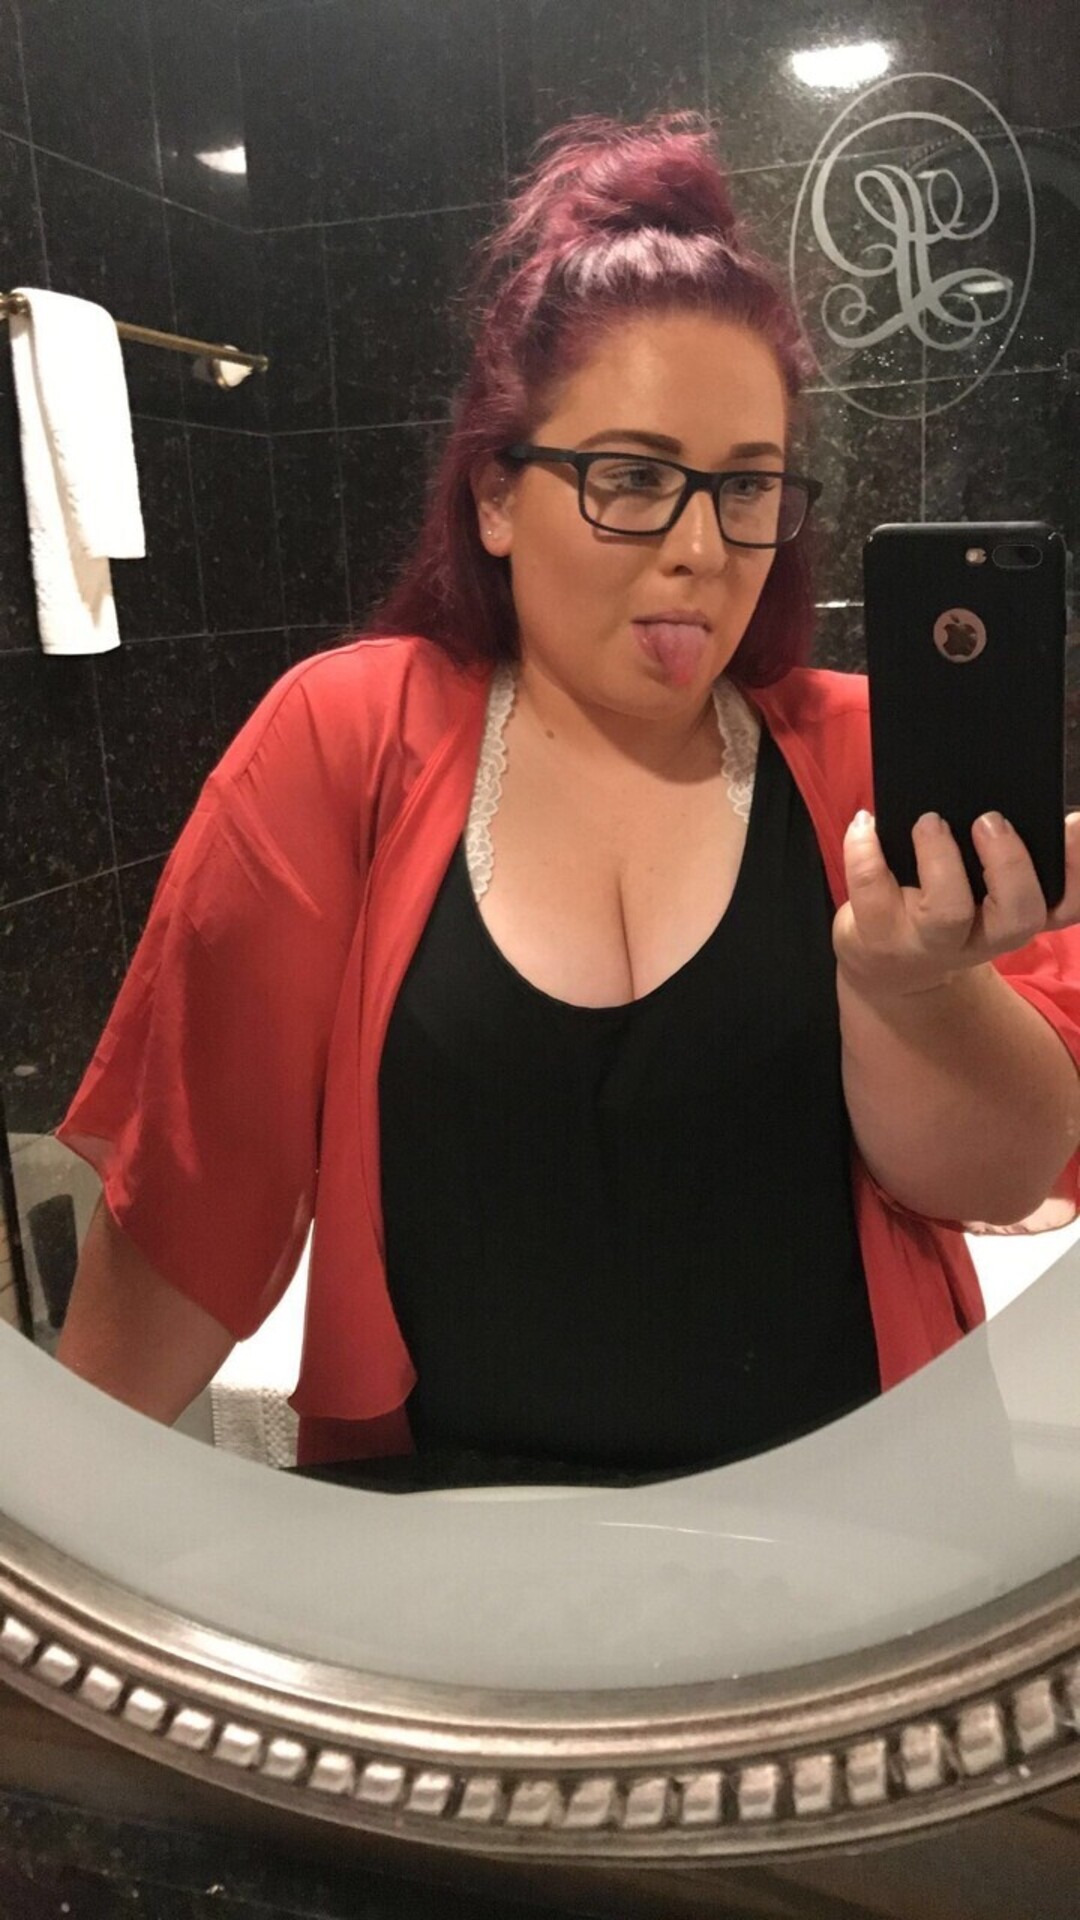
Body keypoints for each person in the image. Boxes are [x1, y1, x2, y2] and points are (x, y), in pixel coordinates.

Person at [53, 112, 1080, 1484]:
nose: (704, 549)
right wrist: (55, 1529)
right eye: (634, 478)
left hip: (860, 1557)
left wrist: (916, 987)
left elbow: (1002, 1178)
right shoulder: (344, 745)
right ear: (495, 494)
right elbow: (194, 1199)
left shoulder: (861, 762)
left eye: (747, 487)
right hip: (451, 1567)